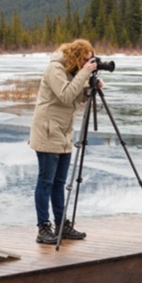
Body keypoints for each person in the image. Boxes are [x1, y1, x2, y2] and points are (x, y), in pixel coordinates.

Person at [28, 39, 103, 244]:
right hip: (47, 131)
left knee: (59, 183)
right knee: (46, 181)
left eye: (91, 60)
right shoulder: (55, 69)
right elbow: (65, 95)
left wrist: (90, 89)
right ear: (76, 56)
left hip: (63, 132)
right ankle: (43, 228)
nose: (88, 63)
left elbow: (76, 97)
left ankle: (62, 224)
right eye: (85, 59)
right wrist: (84, 74)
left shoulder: (72, 70)